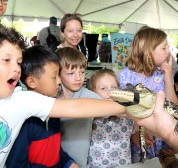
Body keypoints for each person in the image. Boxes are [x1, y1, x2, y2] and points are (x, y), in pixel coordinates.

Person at [0, 24, 127, 167]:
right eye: (6, 60)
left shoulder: (23, 101)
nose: (16, 68)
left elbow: (74, 110)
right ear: (32, 81)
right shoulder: (27, 120)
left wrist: (67, 163)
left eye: (19, 62)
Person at [6, 45, 79, 168]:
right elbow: (15, 164)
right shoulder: (25, 122)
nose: (59, 81)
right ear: (32, 82)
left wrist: (68, 163)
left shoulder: (53, 111)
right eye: (54, 76)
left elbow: (54, 150)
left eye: (59, 75)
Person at [117, 27, 178, 163]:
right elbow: (125, 110)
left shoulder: (163, 74)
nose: (168, 51)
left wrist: (168, 77)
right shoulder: (126, 76)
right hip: (139, 137)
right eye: (164, 48)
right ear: (148, 50)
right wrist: (136, 132)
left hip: (163, 136)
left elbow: (173, 106)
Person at [55, 47, 101, 168]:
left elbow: (112, 109)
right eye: (71, 73)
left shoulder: (89, 96)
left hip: (82, 161)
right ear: (58, 75)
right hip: (57, 159)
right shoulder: (52, 99)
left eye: (82, 71)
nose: (78, 78)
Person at [87, 68, 134, 167]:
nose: (109, 92)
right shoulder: (90, 116)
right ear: (93, 92)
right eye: (103, 88)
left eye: (113, 87)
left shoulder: (127, 116)